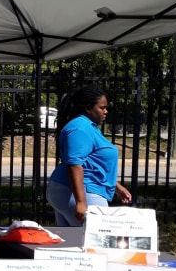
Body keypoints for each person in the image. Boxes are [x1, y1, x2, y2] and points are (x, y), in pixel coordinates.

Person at [46, 87, 132, 226]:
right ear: (87, 108)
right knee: (99, 240)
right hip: (83, 192)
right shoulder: (79, 128)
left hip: (74, 190)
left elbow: (91, 164)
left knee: (72, 243)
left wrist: (115, 187)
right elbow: (74, 164)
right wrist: (81, 202)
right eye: (101, 108)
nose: (106, 111)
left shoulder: (88, 126)